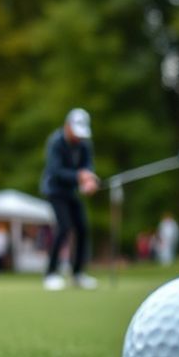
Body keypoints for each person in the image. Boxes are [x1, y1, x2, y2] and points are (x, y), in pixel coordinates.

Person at [40, 108, 99, 291]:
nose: (79, 137)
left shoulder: (84, 145)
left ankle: (77, 273)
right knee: (64, 227)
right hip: (55, 190)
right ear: (67, 126)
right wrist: (80, 177)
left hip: (72, 191)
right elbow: (55, 171)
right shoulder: (56, 142)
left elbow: (87, 166)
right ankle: (51, 273)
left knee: (82, 228)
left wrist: (89, 179)